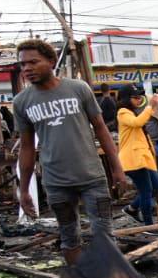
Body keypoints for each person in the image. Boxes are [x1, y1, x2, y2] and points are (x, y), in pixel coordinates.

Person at [14, 38, 127, 265]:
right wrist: (24, 190)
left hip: (91, 177)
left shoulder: (78, 89)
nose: (27, 68)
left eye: (33, 62)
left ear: (51, 61)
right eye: (23, 64)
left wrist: (117, 168)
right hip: (56, 182)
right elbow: (27, 148)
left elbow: (101, 129)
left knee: (104, 235)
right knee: (69, 238)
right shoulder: (21, 102)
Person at [115, 85, 158, 224]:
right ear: (126, 98)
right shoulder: (123, 112)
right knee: (146, 191)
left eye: (139, 97)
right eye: (135, 97)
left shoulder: (132, 112)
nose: (139, 100)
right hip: (132, 159)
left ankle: (132, 208)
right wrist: (150, 106)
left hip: (142, 158)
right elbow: (137, 123)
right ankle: (148, 225)